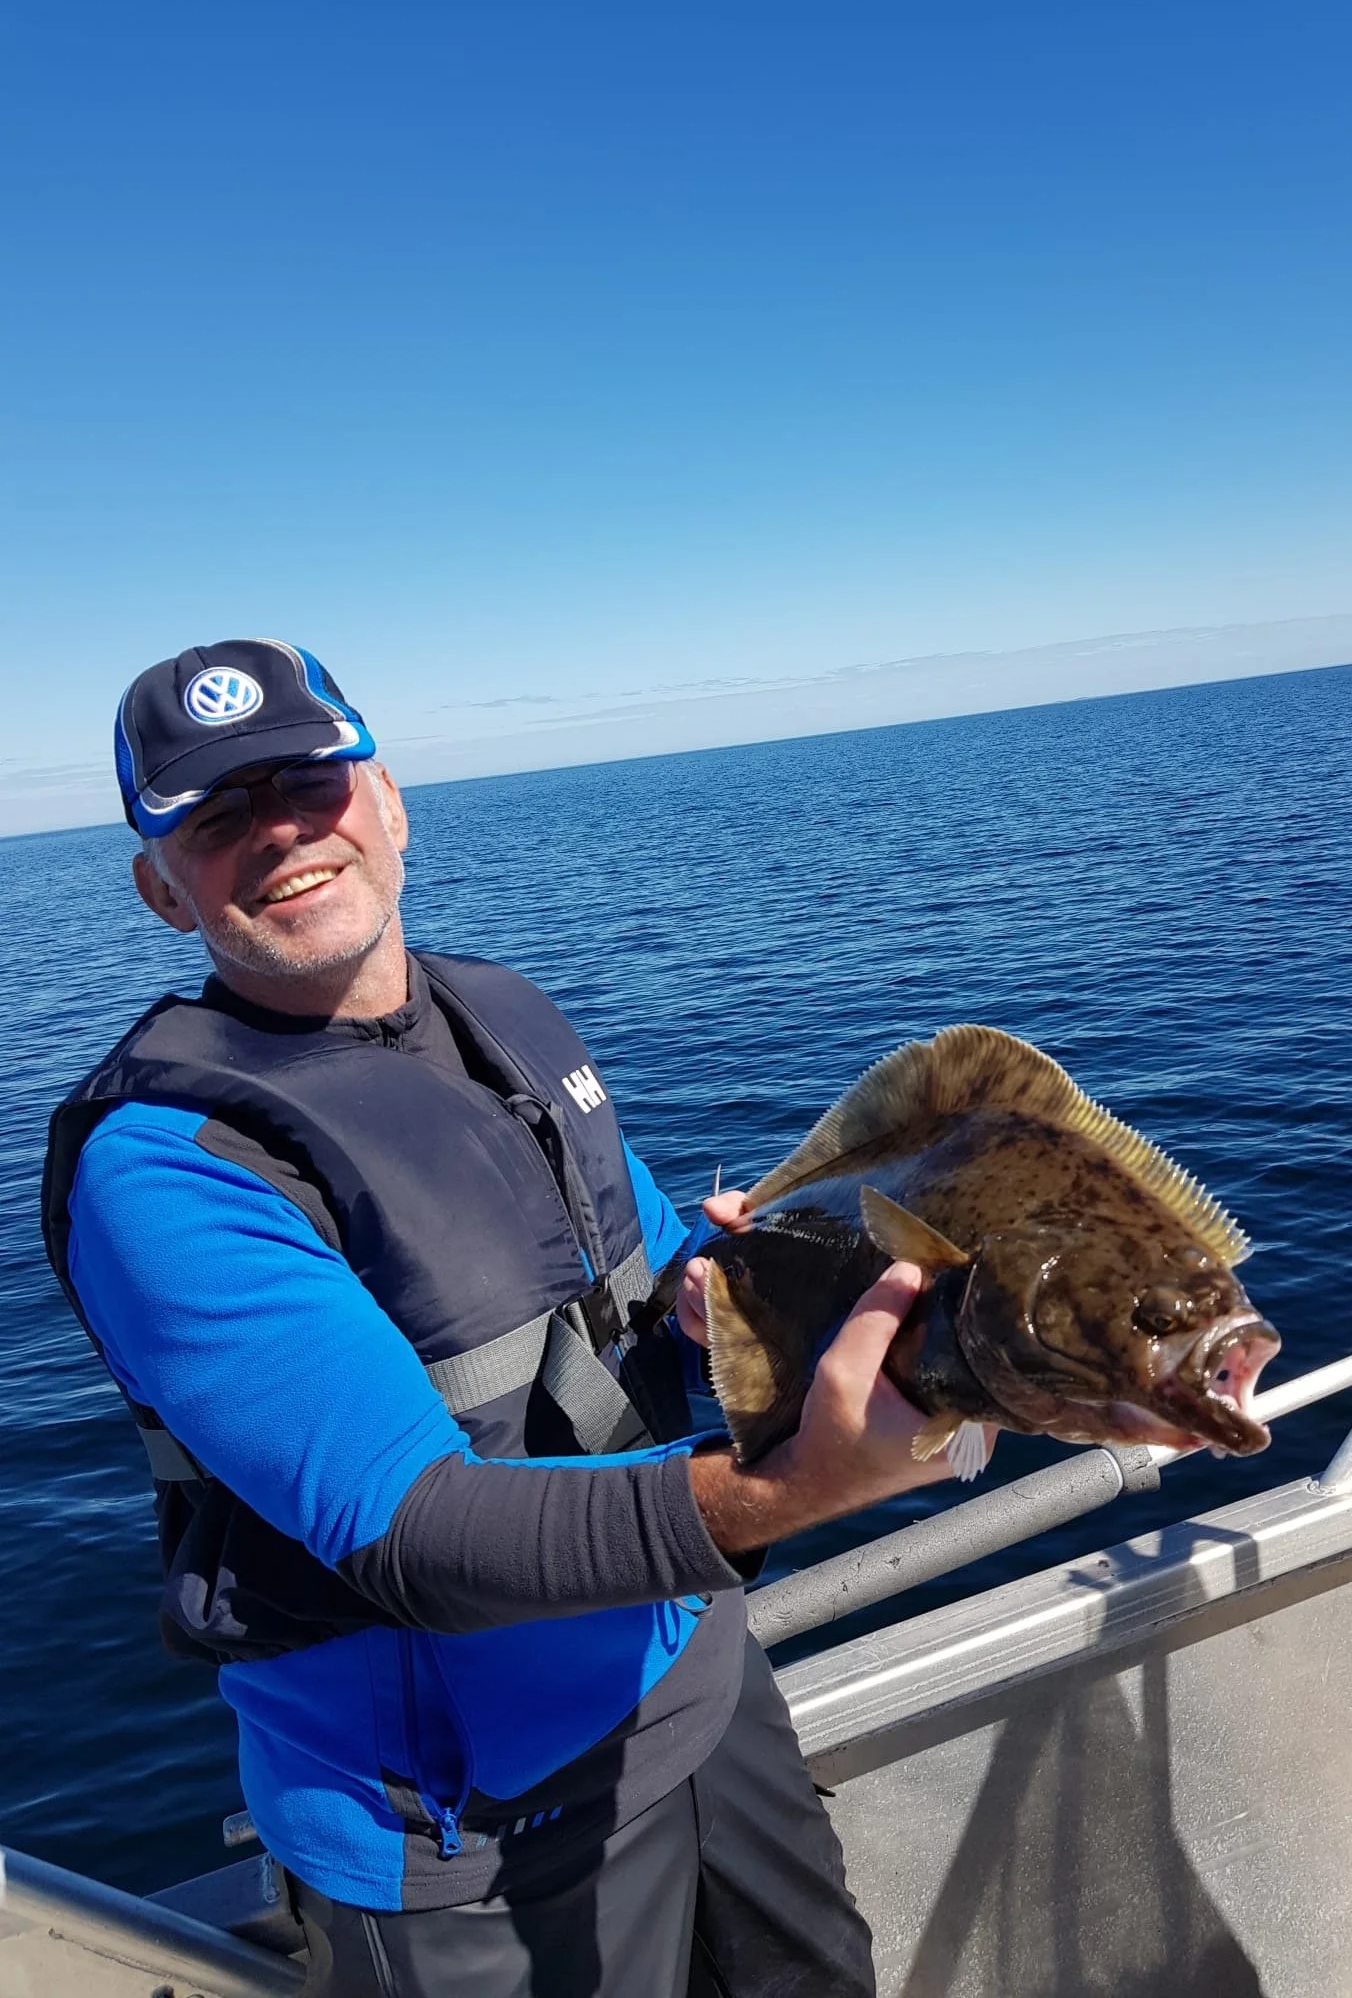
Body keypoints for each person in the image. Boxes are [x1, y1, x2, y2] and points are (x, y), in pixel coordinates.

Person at [42, 639, 959, 1997]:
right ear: (160, 888)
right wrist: (797, 1488)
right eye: (217, 819)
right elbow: (421, 1538)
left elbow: (642, 1264)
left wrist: (715, 1302)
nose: (281, 833)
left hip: (694, 1684)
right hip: (465, 1824)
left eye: (309, 782)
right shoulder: (171, 1164)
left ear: (391, 803)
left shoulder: (505, 1017)